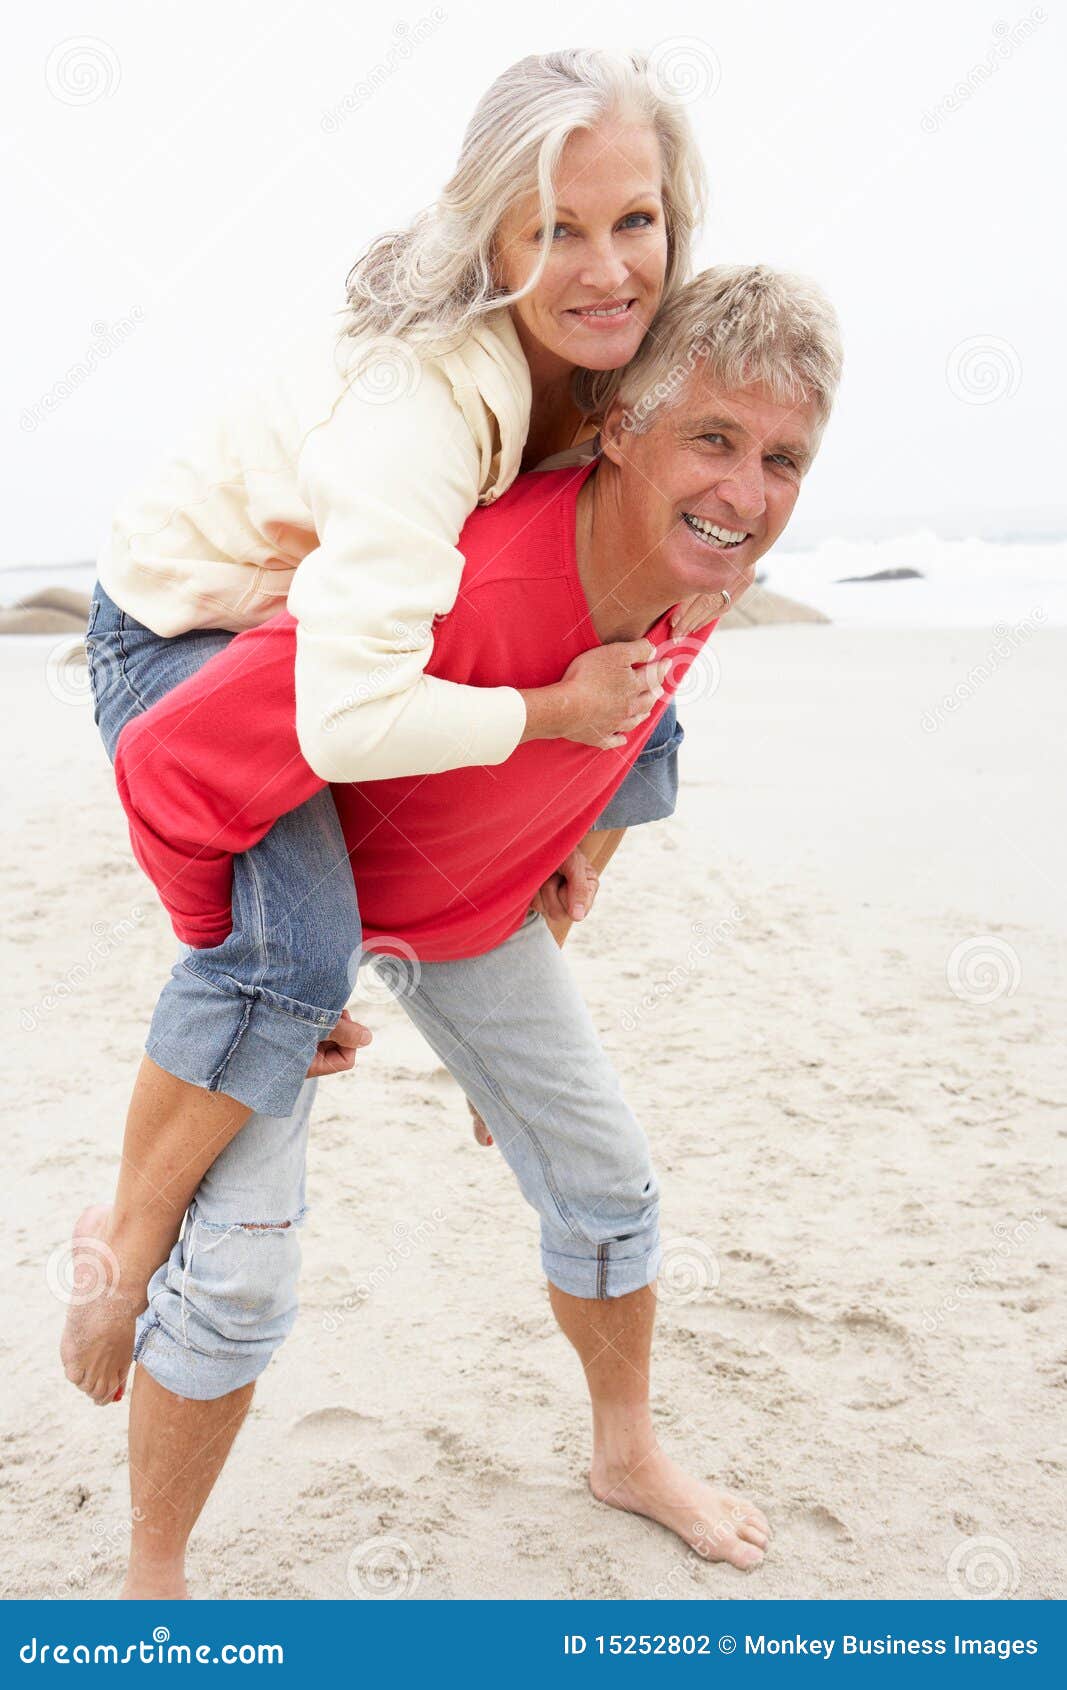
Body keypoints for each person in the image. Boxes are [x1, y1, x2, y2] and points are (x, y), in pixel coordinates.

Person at [100, 264, 842, 1597]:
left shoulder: (704, 569)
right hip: (291, 910)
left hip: (470, 921)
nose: (748, 493)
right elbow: (174, 761)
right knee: (240, 1282)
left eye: (783, 457)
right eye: (715, 441)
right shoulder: (464, 577)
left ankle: (625, 1452)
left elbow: (642, 729)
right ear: (618, 428)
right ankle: (154, 1580)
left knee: (611, 1190)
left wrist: (572, 869)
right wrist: (263, 961)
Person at [61, 48, 717, 1409]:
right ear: (495, 234)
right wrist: (548, 709)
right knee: (292, 954)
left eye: (634, 220)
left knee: (643, 733)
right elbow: (346, 719)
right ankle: (122, 1241)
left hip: (342, 627)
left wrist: (574, 804)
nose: (608, 268)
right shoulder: (421, 406)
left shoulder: (624, 363)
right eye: (557, 231)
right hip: (197, 632)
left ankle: (506, 1012)